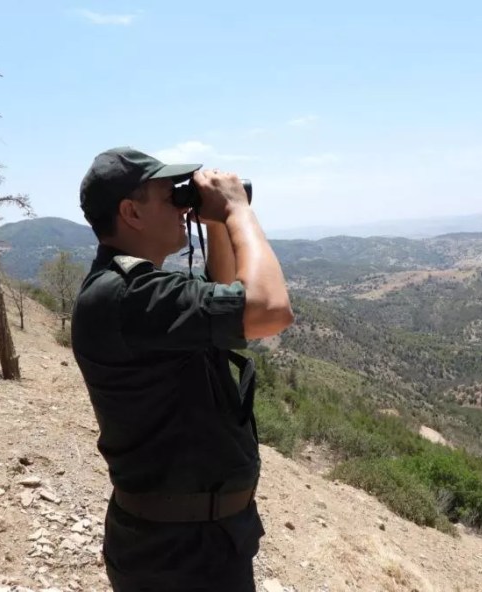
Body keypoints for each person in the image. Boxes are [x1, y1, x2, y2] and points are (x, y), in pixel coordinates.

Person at [70, 146, 294, 592]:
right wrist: (235, 209)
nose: (181, 203)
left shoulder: (133, 290)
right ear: (131, 212)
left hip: (193, 544)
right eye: (167, 194)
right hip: (179, 558)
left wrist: (212, 224)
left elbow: (224, 289)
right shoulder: (129, 296)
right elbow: (269, 308)